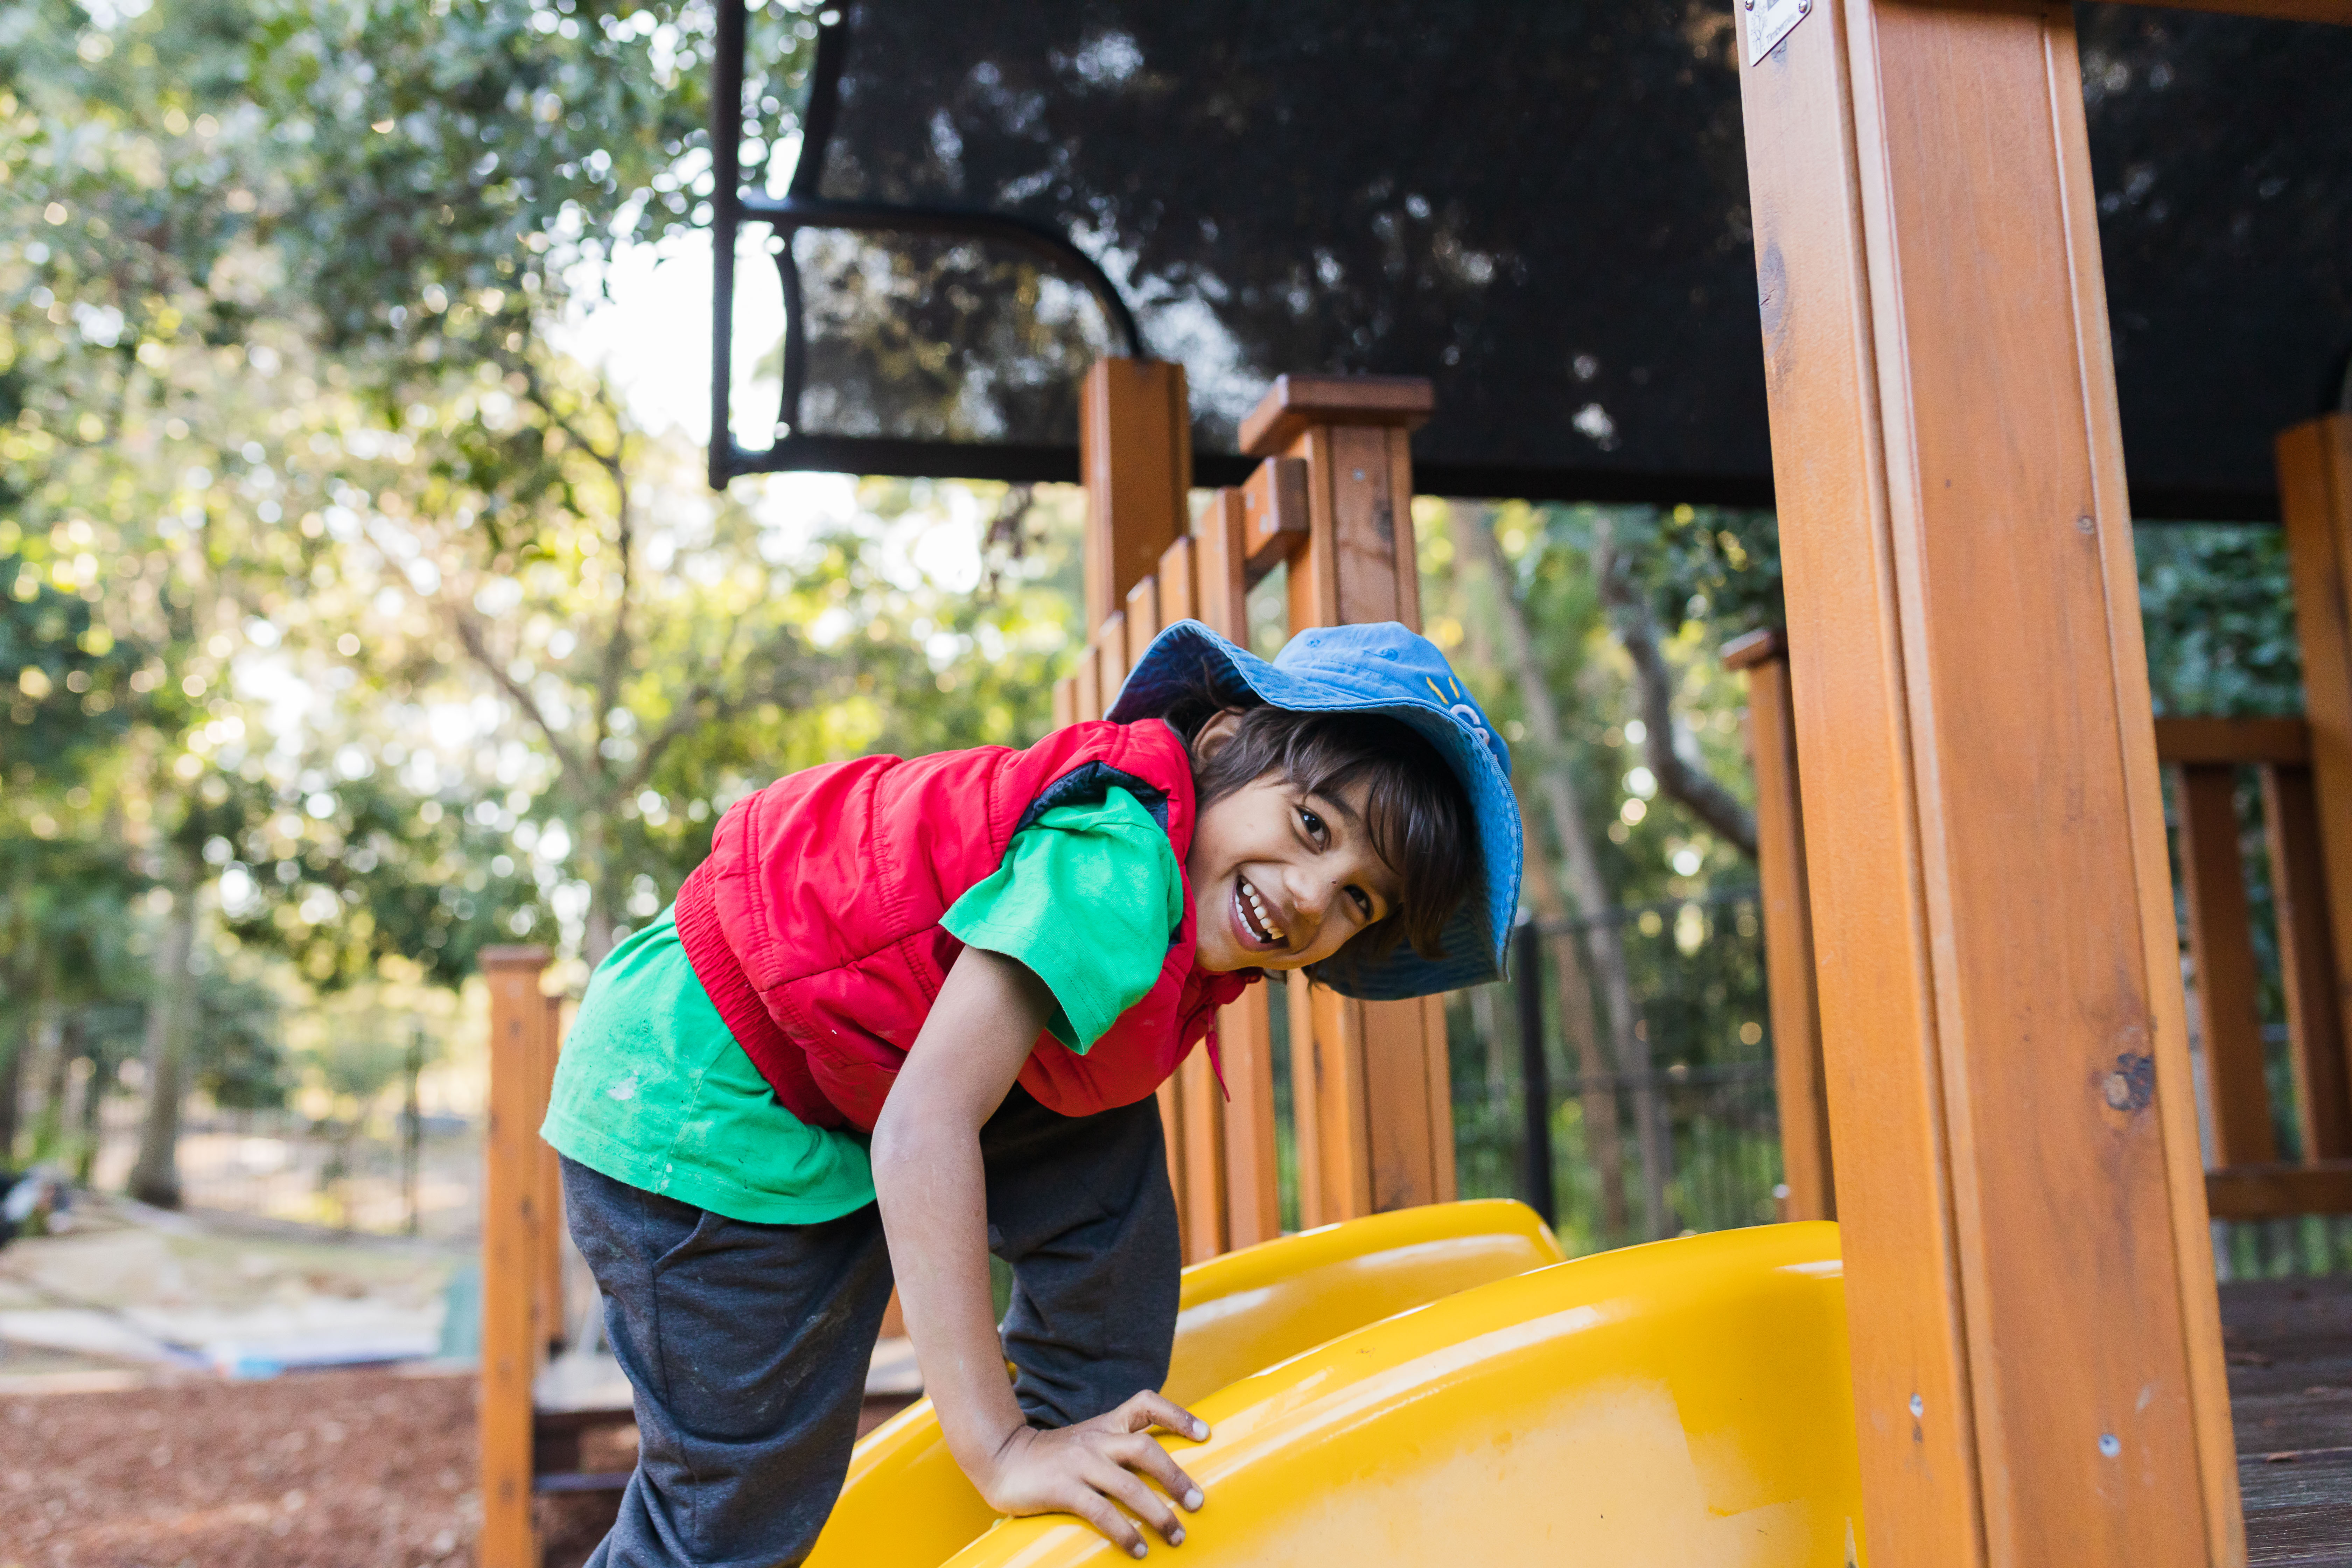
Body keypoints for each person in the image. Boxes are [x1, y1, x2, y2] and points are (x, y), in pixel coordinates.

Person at [542, 617, 1523, 1567]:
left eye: (1360, 899)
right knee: (733, 1512)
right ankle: (1040, 1453)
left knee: (1105, 1153)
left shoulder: (1173, 913)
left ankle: (1083, 1449)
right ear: (1221, 744)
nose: (1314, 895)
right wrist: (999, 1448)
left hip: (844, 1063)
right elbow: (925, 1128)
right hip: (704, 1092)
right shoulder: (1117, 863)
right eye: (1313, 827)